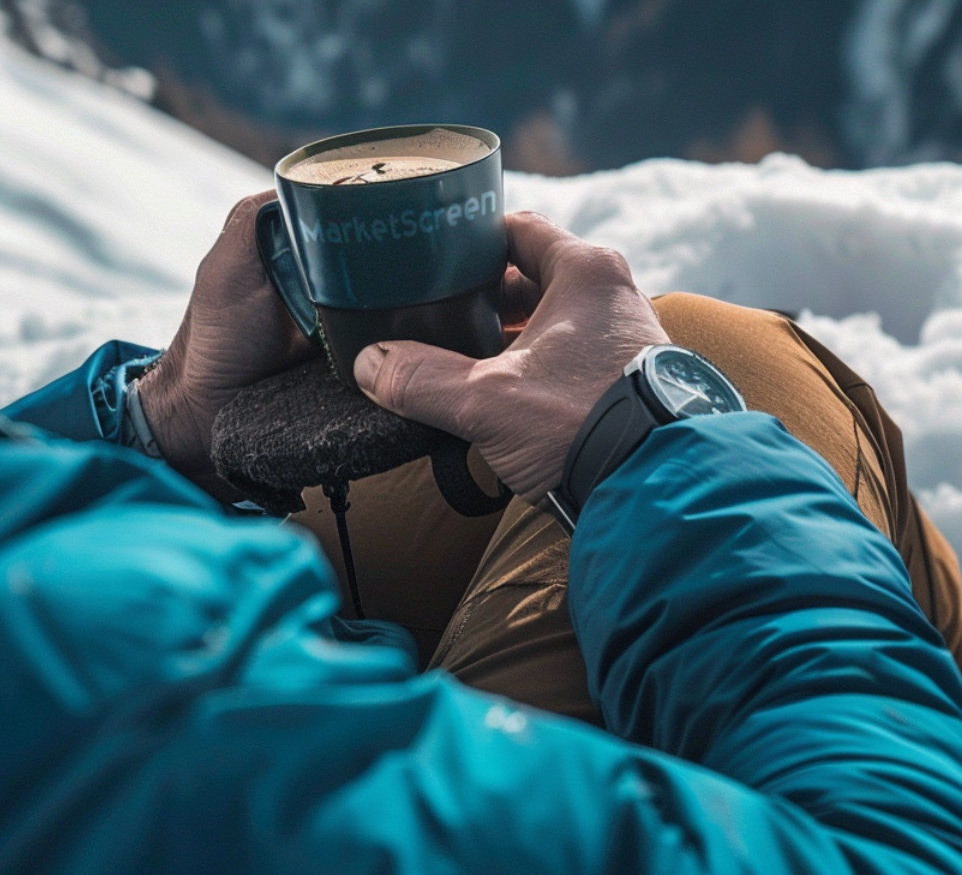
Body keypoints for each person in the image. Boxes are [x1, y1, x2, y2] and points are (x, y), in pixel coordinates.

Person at [2, 197, 961, 874]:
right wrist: (660, 435)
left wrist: (155, 421)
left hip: (135, 599)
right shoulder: (112, 731)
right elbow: (893, 849)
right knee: (730, 364)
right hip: (168, 674)